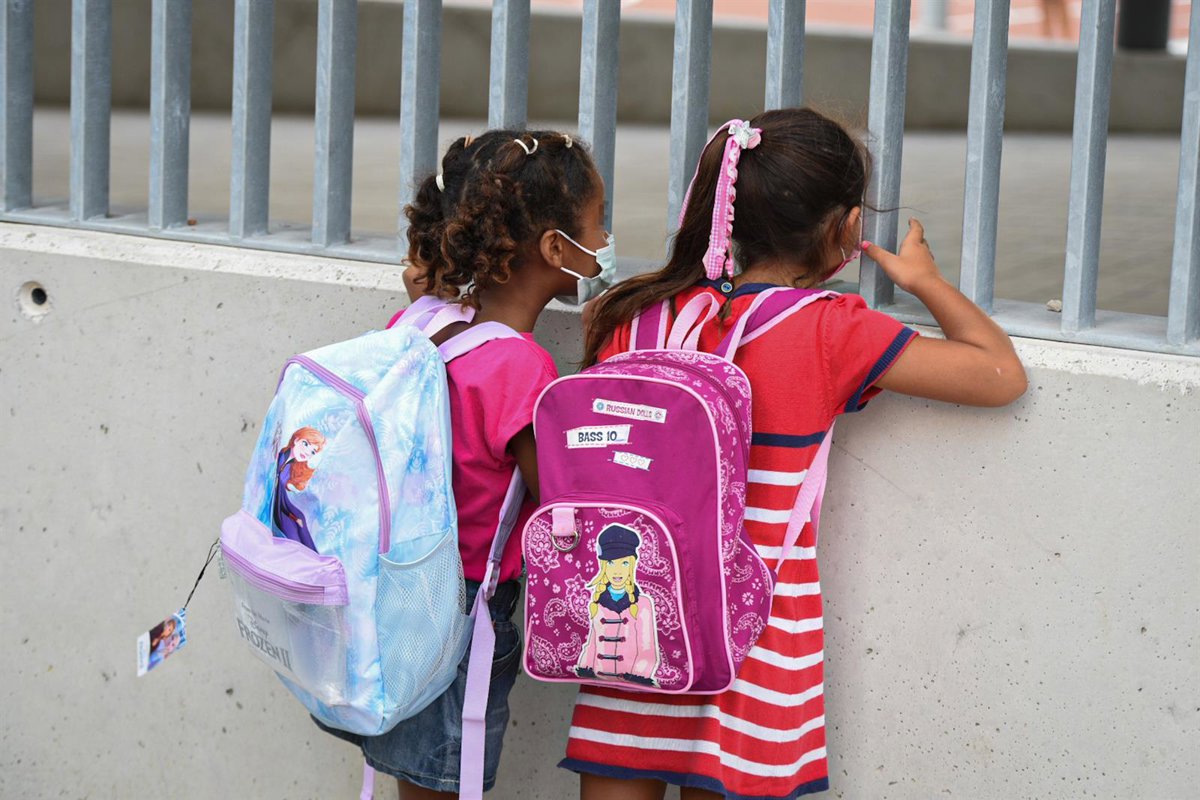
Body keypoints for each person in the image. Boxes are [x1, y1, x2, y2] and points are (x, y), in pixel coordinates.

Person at [565, 108, 1026, 799]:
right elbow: (999, 374)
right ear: (846, 227)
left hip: (633, 616)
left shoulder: (635, 315)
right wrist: (924, 281)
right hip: (755, 636)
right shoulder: (829, 330)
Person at [316, 129, 611, 799]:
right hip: (463, 611)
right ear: (556, 249)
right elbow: (558, 500)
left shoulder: (419, 322)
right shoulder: (520, 367)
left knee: (412, 778)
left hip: (390, 592)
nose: (605, 239)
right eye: (599, 223)